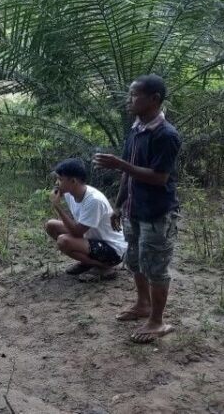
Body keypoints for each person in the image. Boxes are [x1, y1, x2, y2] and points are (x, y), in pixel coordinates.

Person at [95, 74, 181, 344]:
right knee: (135, 260)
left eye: (134, 95)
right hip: (134, 209)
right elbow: (128, 174)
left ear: (154, 99)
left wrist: (121, 164)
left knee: (156, 266)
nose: (129, 100)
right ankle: (142, 304)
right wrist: (118, 205)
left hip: (157, 213)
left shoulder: (166, 135)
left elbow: (159, 177)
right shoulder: (135, 129)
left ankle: (157, 321)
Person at [45, 158, 127, 279]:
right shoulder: (70, 193)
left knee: (63, 241)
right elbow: (76, 228)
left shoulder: (93, 200)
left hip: (113, 249)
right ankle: (87, 262)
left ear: (73, 181)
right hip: (93, 238)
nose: (57, 183)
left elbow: (77, 233)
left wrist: (57, 207)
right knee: (51, 225)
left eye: (60, 179)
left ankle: (105, 267)